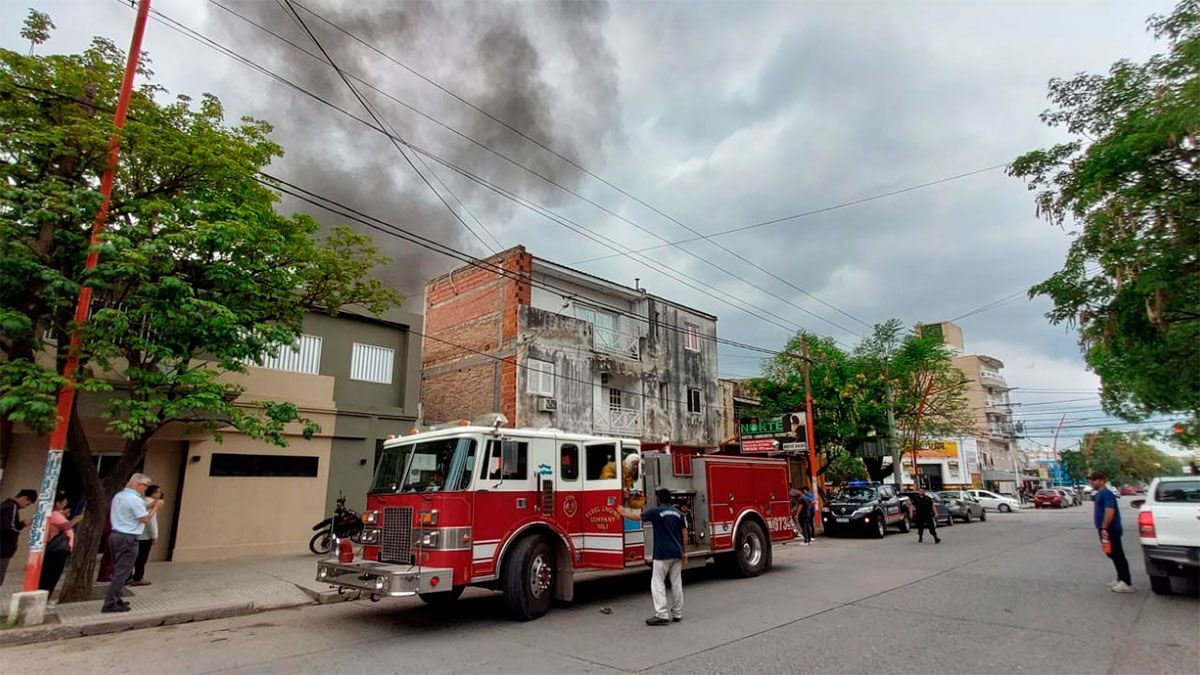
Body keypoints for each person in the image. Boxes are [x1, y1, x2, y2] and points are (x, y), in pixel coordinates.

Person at [622, 487, 687, 626]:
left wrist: (622, 512)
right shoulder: (678, 513)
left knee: (657, 583)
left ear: (658, 499)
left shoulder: (656, 512)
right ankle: (677, 613)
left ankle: (662, 614)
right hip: (676, 553)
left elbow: (638, 517)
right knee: (676, 583)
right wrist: (684, 552)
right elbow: (684, 533)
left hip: (662, 553)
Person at [103, 474, 164, 613]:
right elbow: (145, 519)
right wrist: (156, 508)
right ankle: (110, 603)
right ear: (138, 484)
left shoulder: (119, 496)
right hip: (127, 537)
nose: (146, 489)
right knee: (122, 573)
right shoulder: (134, 499)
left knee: (119, 570)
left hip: (116, 535)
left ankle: (117, 599)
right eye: (145, 486)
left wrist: (151, 504)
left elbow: (136, 511)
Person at [1089, 471, 1133, 593]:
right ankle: (1120, 579)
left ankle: (1126, 582)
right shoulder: (1099, 494)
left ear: (1103, 480)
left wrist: (1104, 528)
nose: (1092, 482)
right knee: (1111, 554)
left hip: (1110, 529)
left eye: (1095, 479)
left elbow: (1110, 511)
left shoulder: (1107, 494)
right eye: (1091, 480)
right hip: (1105, 529)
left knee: (1117, 555)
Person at [39, 491, 82, 594]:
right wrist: (76, 519)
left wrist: (63, 515)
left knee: (52, 574)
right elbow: (65, 526)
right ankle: (45, 594)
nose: (65, 505)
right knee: (51, 574)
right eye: (64, 502)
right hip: (57, 549)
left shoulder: (56, 514)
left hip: (58, 549)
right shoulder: (54, 514)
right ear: (57, 503)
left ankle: (47, 594)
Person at [1, 488, 38, 586]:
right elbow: (11, 527)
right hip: (3, 549)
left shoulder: (6, 505)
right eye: (27, 504)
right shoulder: (12, 507)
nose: (25, 507)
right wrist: (22, 524)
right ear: (24, 498)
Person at [130, 485, 163, 587]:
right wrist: (154, 536)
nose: (160, 494)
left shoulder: (142, 501)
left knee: (133, 556)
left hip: (135, 533)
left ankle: (128, 576)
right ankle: (138, 577)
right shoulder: (153, 504)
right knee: (142, 558)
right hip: (145, 536)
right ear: (153, 493)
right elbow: (151, 521)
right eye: (158, 492)